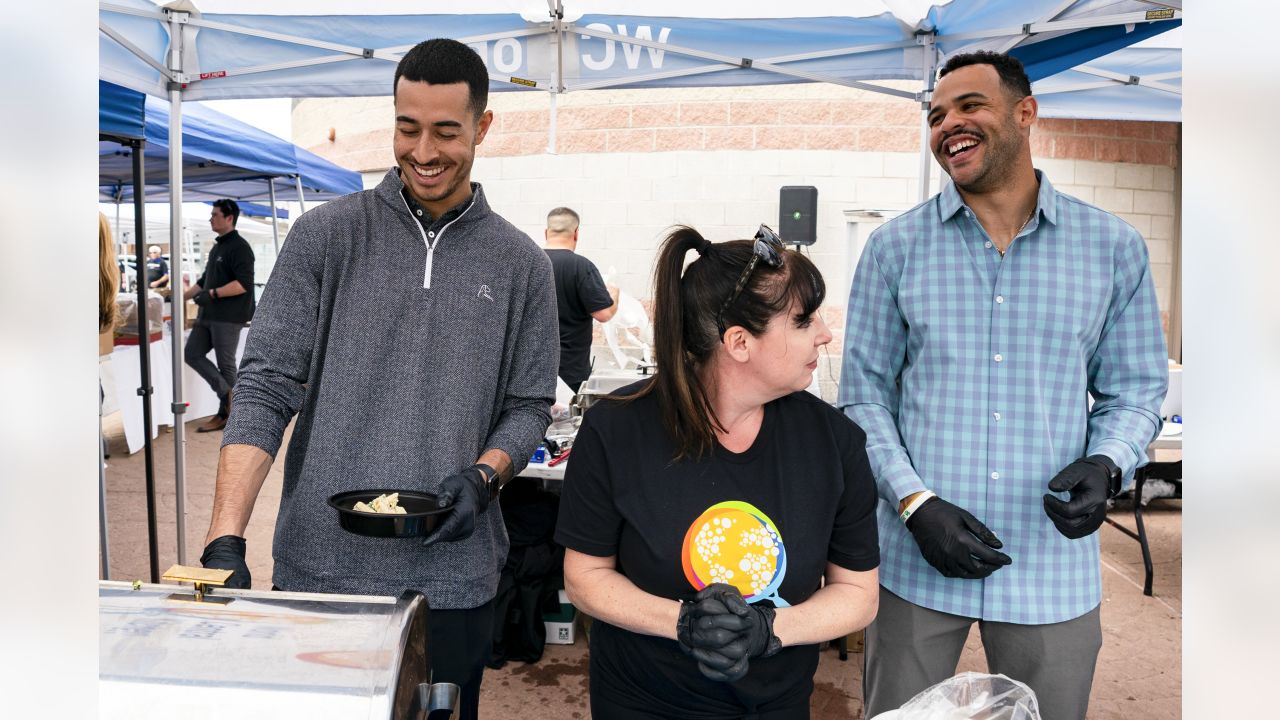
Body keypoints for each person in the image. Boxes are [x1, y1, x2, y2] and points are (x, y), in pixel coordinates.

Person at [198, 38, 558, 720]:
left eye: (446, 132)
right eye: (407, 127)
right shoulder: (323, 237)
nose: (423, 151)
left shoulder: (522, 265)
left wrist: (485, 477)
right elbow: (268, 385)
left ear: (482, 128)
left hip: (455, 580)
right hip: (320, 571)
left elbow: (528, 403)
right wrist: (226, 538)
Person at [838, 51, 1168, 720]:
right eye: (935, 115)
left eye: (968, 106)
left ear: (1025, 114)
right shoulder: (894, 249)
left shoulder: (1113, 248)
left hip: (1051, 567)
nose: (947, 125)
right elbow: (863, 397)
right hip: (914, 561)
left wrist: (1109, 460)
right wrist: (914, 504)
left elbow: (1134, 392)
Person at [556, 224, 880, 719]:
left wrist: (768, 631)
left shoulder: (835, 443)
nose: (825, 333)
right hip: (642, 702)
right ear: (739, 342)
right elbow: (585, 577)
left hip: (774, 705)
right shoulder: (616, 431)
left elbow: (857, 594)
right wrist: (683, 622)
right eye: (803, 320)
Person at [182, 199, 255, 432]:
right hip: (207, 314)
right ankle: (226, 395)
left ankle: (233, 414)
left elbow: (243, 284)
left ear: (229, 218)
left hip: (228, 316)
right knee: (192, 353)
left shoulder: (240, 247)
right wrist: (179, 297)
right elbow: (204, 280)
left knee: (226, 364)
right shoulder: (217, 246)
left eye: (215, 215)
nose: (211, 219)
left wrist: (212, 294)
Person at [543, 206, 618, 392]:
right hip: (570, 373)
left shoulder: (528, 263)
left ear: (546, 232)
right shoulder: (581, 267)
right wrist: (614, 297)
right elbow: (604, 314)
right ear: (576, 233)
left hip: (531, 371)